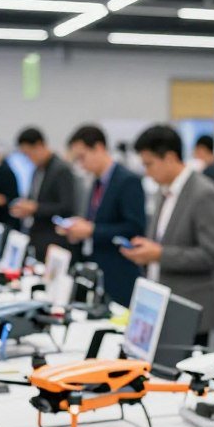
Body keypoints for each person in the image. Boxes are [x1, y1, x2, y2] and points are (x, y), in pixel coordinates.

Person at [126, 125, 214, 344]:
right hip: (160, 305)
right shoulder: (164, 191)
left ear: (170, 158)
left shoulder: (204, 194)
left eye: (149, 164)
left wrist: (159, 254)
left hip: (190, 310)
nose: (147, 172)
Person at [62, 125, 145, 307]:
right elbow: (100, 220)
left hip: (120, 273)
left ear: (98, 148)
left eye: (82, 157)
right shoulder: (97, 182)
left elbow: (134, 228)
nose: (81, 164)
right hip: (99, 271)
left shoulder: (127, 180)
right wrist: (81, 227)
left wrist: (92, 230)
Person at [8, 127, 77, 259]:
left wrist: (35, 208)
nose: (28, 158)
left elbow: (67, 207)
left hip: (54, 241)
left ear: (40, 145)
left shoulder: (61, 170)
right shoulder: (36, 171)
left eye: (29, 154)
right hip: (36, 238)